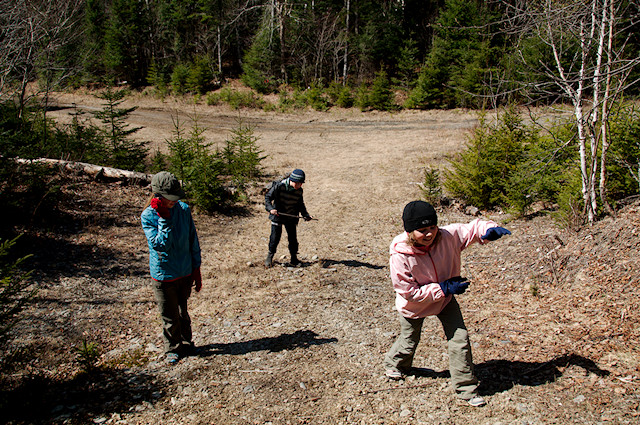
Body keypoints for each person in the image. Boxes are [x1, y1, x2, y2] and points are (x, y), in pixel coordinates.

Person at [384, 200, 511, 407]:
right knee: (409, 338)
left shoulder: (448, 236)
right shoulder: (400, 254)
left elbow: (472, 228)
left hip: (444, 301)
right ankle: (395, 364)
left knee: (460, 338)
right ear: (409, 231)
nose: (429, 234)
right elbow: (407, 292)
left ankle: (466, 389)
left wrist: (489, 230)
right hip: (415, 305)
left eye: (432, 227)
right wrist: (443, 288)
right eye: (422, 230)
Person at [141, 171, 203, 365]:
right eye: (170, 198)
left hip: (184, 272)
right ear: (158, 195)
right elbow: (160, 245)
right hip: (163, 275)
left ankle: (186, 342)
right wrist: (164, 218)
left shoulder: (183, 209)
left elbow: (193, 239)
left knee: (183, 313)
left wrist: (196, 268)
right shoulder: (148, 216)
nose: (174, 202)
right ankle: (172, 348)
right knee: (169, 315)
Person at [264, 168, 313, 267]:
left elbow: (300, 204)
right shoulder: (279, 186)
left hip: (291, 216)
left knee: (293, 239)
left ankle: (294, 259)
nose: (300, 185)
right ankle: (269, 257)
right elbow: (268, 197)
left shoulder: (299, 191)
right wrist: (270, 209)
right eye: (299, 183)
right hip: (277, 216)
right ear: (293, 180)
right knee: (275, 237)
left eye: (301, 183)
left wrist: (306, 215)